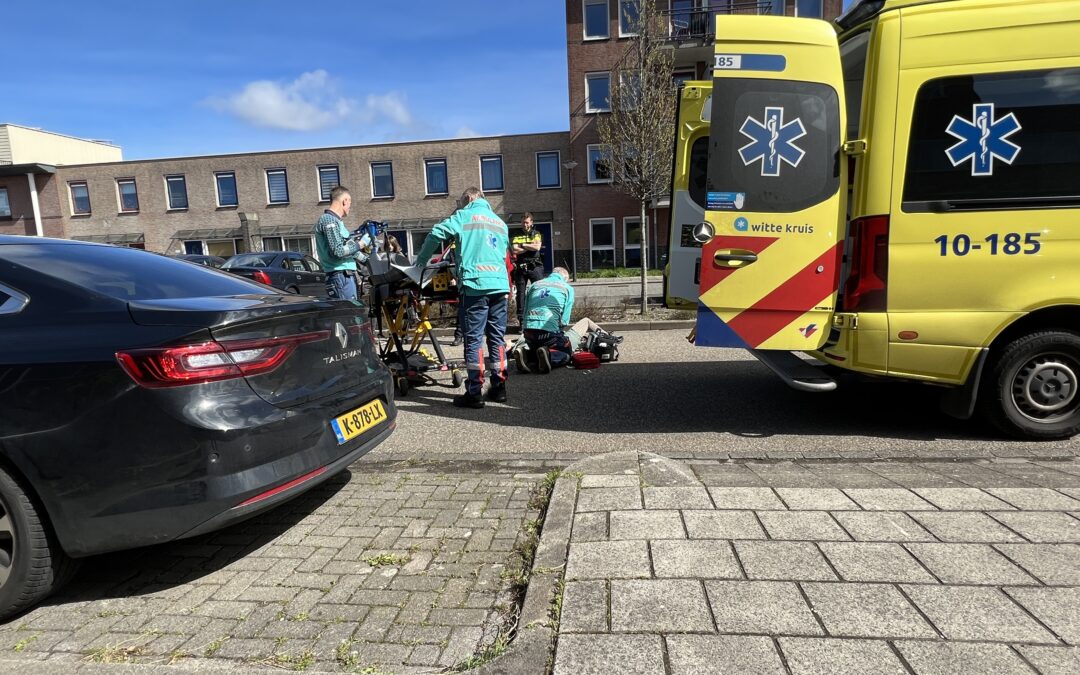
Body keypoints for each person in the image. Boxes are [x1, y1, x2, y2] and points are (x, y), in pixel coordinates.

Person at [413, 187, 511, 408]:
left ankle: (474, 393)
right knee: (497, 339)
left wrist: (420, 262)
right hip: (499, 286)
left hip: (475, 286)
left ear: (468, 198)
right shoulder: (500, 223)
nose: (459, 206)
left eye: (460, 202)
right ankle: (499, 388)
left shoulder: (464, 215)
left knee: (474, 340)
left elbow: (436, 233)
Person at [514, 267, 620, 374]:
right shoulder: (567, 288)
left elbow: (524, 312)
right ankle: (550, 356)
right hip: (549, 335)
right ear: (565, 278)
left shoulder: (534, 285)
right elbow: (564, 321)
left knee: (537, 346)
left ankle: (525, 354)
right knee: (566, 351)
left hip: (529, 333)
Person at [313, 186, 366, 300]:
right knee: (349, 310)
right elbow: (338, 251)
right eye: (350, 202)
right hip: (340, 276)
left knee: (353, 309)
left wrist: (369, 261)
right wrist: (360, 244)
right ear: (344, 201)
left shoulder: (337, 222)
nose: (350, 206)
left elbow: (350, 251)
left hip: (344, 276)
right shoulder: (329, 220)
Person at [510, 213, 544, 329]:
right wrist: (530, 246)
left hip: (535, 266)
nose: (525, 224)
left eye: (527, 222)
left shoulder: (536, 233)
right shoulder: (516, 234)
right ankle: (522, 322)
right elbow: (515, 250)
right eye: (523, 222)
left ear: (531, 223)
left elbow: (537, 247)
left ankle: (539, 319)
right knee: (520, 295)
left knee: (539, 292)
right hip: (521, 267)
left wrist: (523, 245)